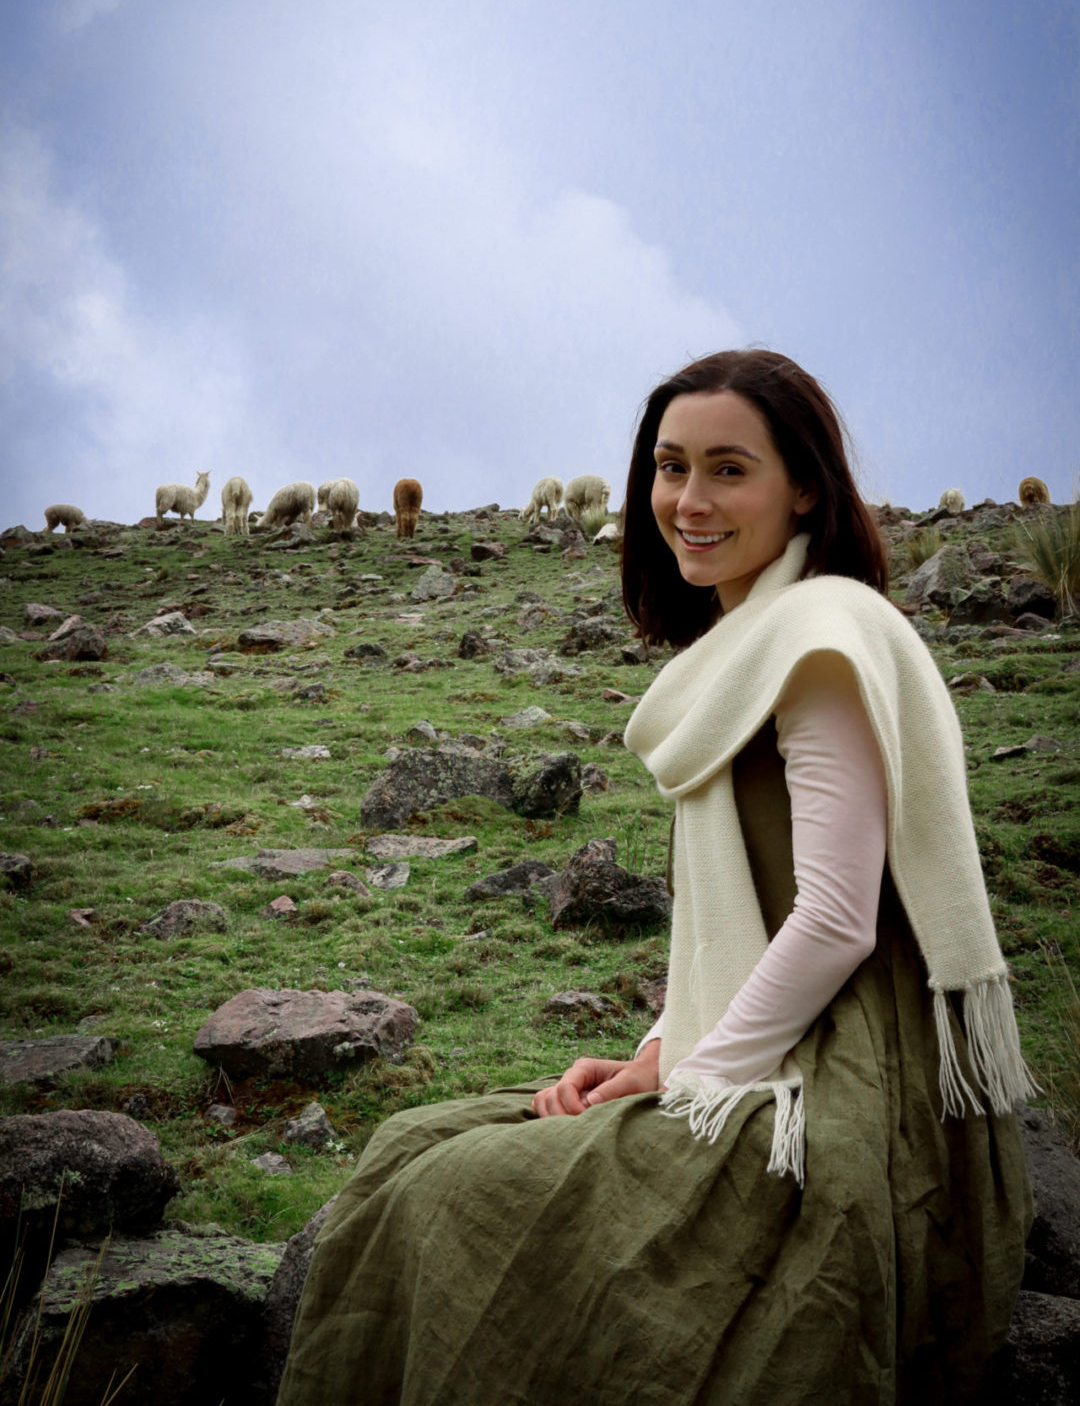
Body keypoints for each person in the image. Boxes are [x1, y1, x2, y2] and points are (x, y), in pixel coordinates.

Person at [277, 349, 1032, 1406]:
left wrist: (689, 1079)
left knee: (464, 1195)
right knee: (413, 1143)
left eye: (730, 470)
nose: (689, 500)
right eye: (672, 468)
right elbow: (740, 915)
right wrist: (651, 1050)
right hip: (771, 1032)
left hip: (853, 1071)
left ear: (803, 487)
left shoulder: (820, 642)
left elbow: (834, 921)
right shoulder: (744, 641)